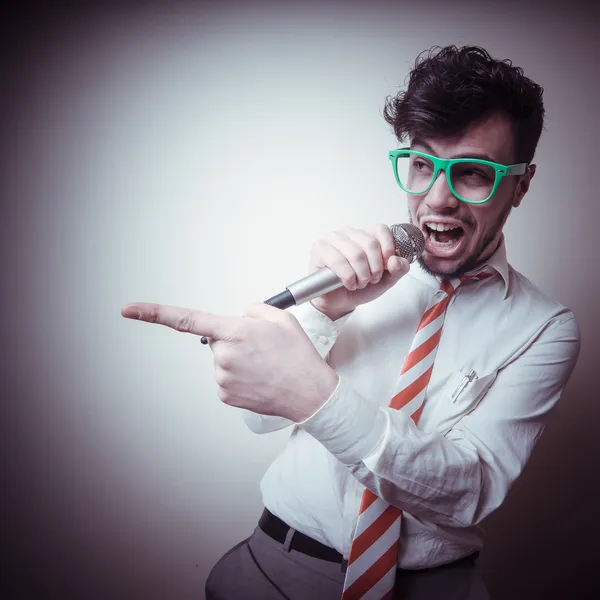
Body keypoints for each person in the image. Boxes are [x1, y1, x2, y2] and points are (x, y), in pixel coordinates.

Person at [121, 46, 581, 599]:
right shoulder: (351, 273)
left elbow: (468, 491)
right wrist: (321, 312)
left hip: (429, 586)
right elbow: (258, 423)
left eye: (473, 174)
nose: (438, 199)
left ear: (521, 186)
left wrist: (317, 396)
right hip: (272, 566)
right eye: (422, 165)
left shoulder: (545, 328)